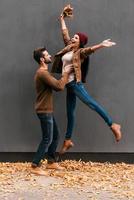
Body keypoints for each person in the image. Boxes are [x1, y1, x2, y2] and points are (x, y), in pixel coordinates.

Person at [51, 5, 122, 154]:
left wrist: (101, 45)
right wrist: (62, 20)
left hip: (74, 84)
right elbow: (65, 34)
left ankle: (113, 124)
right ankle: (68, 140)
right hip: (68, 86)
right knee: (70, 112)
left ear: (80, 42)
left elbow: (89, 50)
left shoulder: (80, 53)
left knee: (91, 103)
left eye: (76, 38)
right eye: (74, 37)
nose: (73, 38)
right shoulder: (69, 47)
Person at [31, 47, 72, 175]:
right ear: (42, 59)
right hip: (44, 110)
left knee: (55, 136)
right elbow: (59, 86)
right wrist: (66, 73)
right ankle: (35, 165)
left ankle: (51, 162)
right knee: (47, 138)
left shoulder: (44, 73)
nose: (50, 56)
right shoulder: (42, 73)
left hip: (47, 109)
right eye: (47, 55)